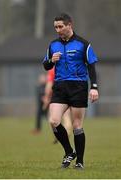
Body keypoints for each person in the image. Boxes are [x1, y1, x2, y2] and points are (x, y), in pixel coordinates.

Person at [42, 13, 99, 169]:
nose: (58, 30)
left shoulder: (83, 44)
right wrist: (50, 60)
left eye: (61, 26)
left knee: (77, 126)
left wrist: (94, 87)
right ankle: (69, 151)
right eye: (56, 27)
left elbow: (92, 67)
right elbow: (46, 66)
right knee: (53, 121)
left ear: (69, 25)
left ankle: (79, 162)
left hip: (78, 87)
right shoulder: (53, 45)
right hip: (60, 86)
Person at [43, 68, 72, 143]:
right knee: (66, 117)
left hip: (57, 98)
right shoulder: (68, 67)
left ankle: (59, 136)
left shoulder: (53, 70)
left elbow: (49, 86)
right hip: (69, 95)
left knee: (52, 119)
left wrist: (46, 97)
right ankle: (67, 134)